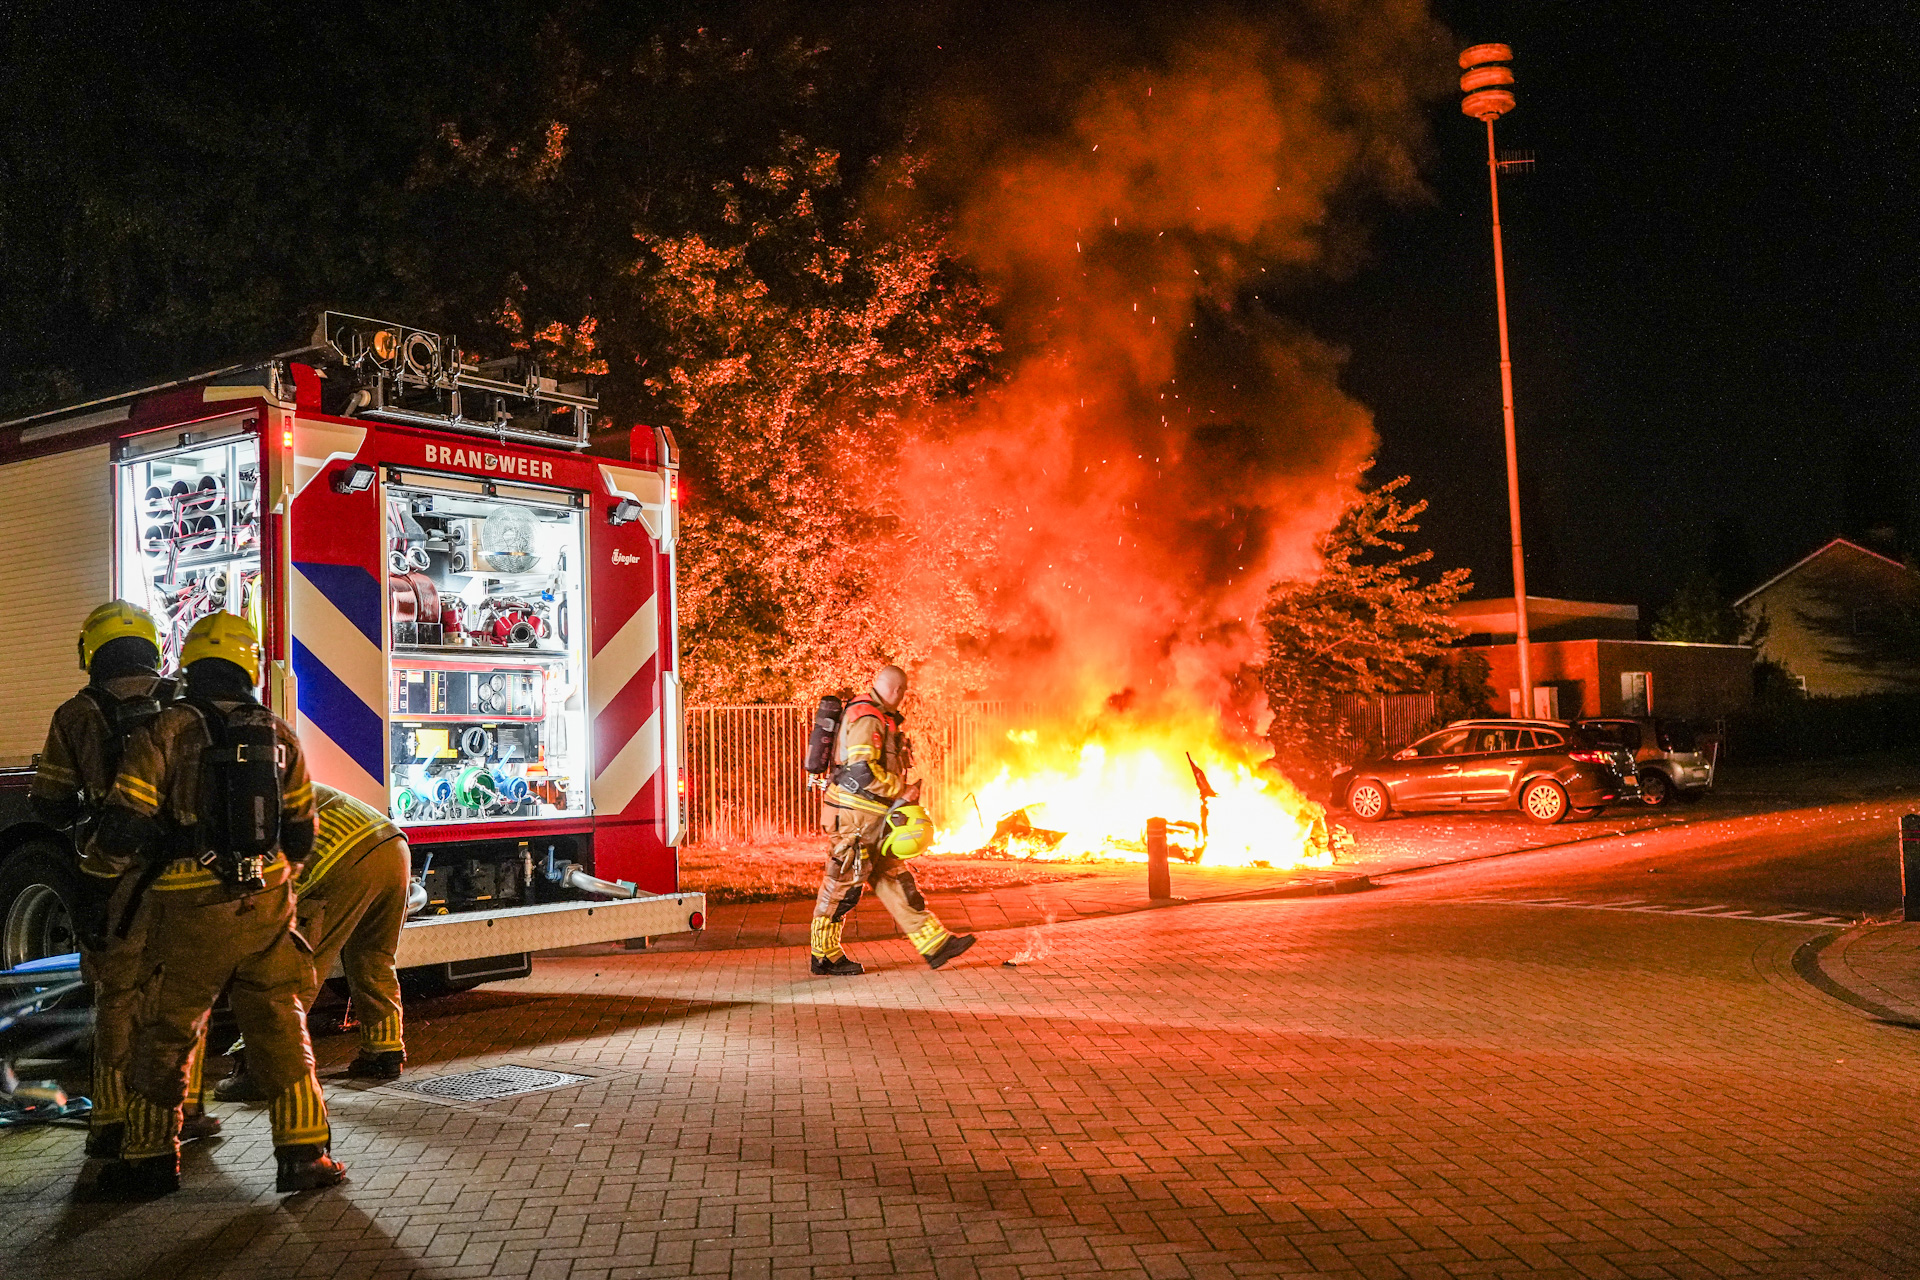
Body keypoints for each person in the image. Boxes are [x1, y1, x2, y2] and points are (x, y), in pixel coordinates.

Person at [86, 611, 345, 1198]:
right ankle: (305, 1154)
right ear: (248, 667)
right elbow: (302, 833)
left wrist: (98, 880)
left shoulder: (166, 730)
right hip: (268, 907)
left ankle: (151, 1156)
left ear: (192, 667)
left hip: (188, 909)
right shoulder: (279, 733)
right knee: (280, 1022)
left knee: (167, 1028)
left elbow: (125, 825)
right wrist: (273, 881)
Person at [29, 601, 220, 1157]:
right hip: (192, 876)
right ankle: (186, 1109)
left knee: (118, 996)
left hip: (117, 877)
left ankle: (111, 1119)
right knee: (184, 994)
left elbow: (50, 803)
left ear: (93, 651)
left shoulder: (76, 714)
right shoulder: (184, 702)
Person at [218, 782, 411, 1099]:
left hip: (341, 853)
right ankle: (384, 1051)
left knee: (295, 964)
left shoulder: (233, 799)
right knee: (374, 958)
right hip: (392, 846)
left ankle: (259, 1068)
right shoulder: (272, 780)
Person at [810, 664, 974, 975]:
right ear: (897, 691)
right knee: (842, 885)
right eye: (904, 693)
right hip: (854, 818)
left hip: (872, 818)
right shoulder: (868, 717)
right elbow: (861, 770)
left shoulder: (877, 715)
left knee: (897, 880)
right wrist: (903, 789)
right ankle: (824, 956)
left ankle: (935, 944)